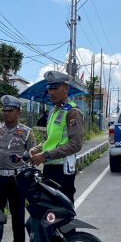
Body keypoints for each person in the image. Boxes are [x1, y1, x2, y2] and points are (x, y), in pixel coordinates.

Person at [0, 96, 36, 242]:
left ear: (18, 113)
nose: (6, 113)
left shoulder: (27, 132)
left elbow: (32, 153)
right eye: (4, 110)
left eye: (10, 111)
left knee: (18, 212)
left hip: (17, 179)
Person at [30, 71, 84, 203]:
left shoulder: (73, 112)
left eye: (55, 88)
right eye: (49, 88)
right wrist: (37, 149)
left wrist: (46, 155)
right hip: (49, 167)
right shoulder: (54, 111)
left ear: (66, 88)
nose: (51, 92)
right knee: (49, 211)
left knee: (62, 211)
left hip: (62, 170)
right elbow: (48, 139)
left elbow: (75, 144)